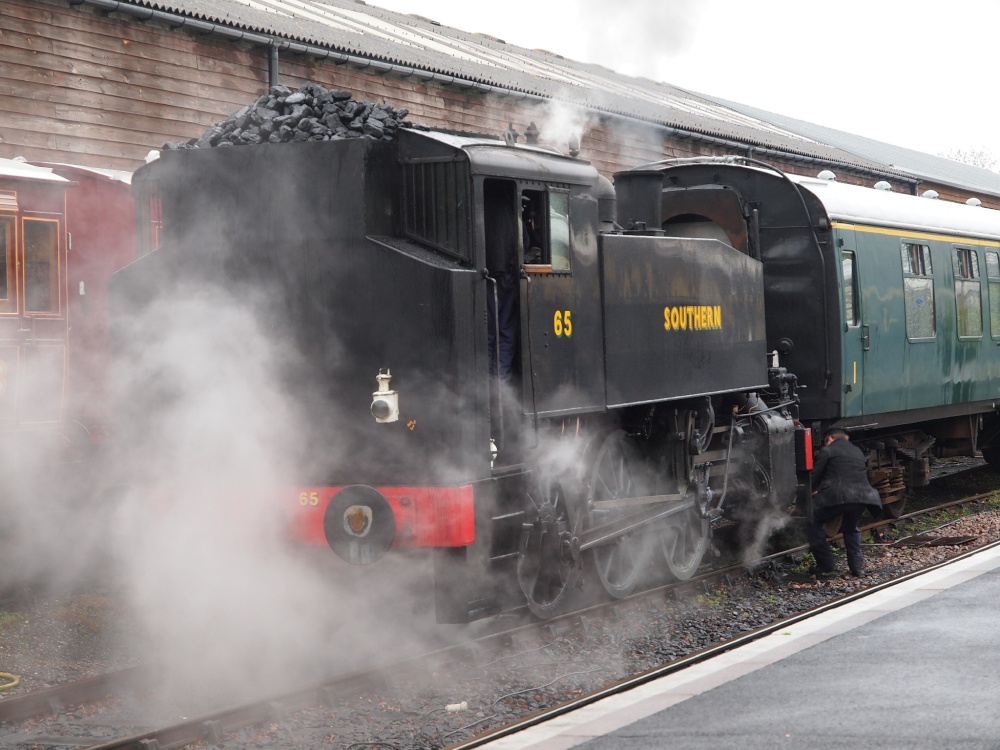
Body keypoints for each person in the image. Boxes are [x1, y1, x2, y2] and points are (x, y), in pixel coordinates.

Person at [807, 427, 882, 578]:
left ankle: (825, 564)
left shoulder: (827, 451)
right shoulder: (857, 451)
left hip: (837, 496)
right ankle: (857, 568)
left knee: (812, 521)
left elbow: (814, 477)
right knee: (851, 528)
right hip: (862, 497)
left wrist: (805, 495)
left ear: (829, 439)